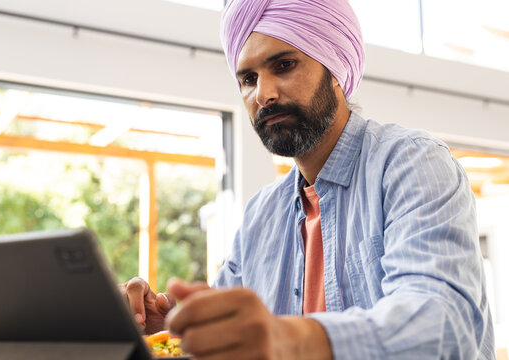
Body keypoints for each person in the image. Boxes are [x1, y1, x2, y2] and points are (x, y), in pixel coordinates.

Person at [121, 0, 495, 358]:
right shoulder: (260, 216)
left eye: (284, 65)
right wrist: (168, 321)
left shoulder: (412, 164)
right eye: (248, 79)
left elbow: (443, 327)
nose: (263, 94)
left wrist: (292, 340)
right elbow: (236, 328)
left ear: (334, 69)